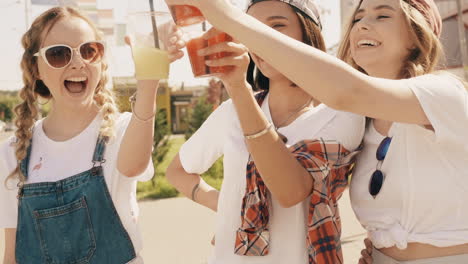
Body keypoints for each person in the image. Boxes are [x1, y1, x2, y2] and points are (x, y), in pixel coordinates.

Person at [164, 0, 468, 263]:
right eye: (359, 17)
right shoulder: (369, 123)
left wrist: (221, 14)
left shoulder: (442, 93)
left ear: (417, 36)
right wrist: (232, 210)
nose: (362, 25)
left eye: (382, 14)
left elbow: (292, 189)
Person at [165, 0, 365, 263]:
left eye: (277, 27)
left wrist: (238, 87)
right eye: (252, 30)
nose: (262, 39)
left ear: (309, 36)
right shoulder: (232, 111)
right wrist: (230, 207)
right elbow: (177, 171)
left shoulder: (341, 113)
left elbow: (290, 191)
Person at [0, 6, 183, 264]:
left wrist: (149, 77)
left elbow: (134, 166)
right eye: (59, 54)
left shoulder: (120, 130)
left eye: (89, 51)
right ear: (37, 68)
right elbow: (11, 256)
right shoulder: (13, 152)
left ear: (100, 60)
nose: (77, 62)